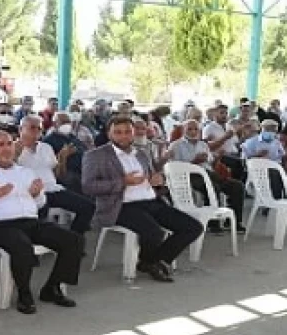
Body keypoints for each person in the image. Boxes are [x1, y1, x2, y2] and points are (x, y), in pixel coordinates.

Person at [0, 132, 83, 314]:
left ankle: (52, 288)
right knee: (21, 244)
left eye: (9, 144)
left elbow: (40, 204)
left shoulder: (25, 172)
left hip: (29, 222)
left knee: (73, 240)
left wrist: (37, 195)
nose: (6, 148)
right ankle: (24, 292)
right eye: (0, 144)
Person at [82, 116, 203, 283]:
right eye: (118, 132)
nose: (124, 136)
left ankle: (153, 261)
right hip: (121, 205)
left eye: (127, 132)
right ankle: (152, 263)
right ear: (109, 134)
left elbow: (152, 175)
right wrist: (123, 182)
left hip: (151, 201)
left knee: (193, 227)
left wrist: (158, 181)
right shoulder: (96, 155)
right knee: (154, 233)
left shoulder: (141, 153)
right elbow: (88, 187)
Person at [15, 116, 94, 234]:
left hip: (53, 189)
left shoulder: (46, 147)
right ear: (20, 129)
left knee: (88, 207)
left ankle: (74, 237)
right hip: (31, 193)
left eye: (39, 129)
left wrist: (62, 158)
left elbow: (59, 176)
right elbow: (7, 174)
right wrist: (15, 156)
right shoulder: (12, 148)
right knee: (41, 219)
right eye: (32, 128)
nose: (36, 131)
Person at [168, 119, 246, 232]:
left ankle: (234, 221)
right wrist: (194, 161)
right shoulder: (176, 145)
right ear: (183, 130)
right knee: (213, 187)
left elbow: (211, 163)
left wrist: (218, 157)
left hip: (208, 173)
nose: (193, 132)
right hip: (189, 176)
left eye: (196, 129)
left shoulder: (203, 144)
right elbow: (174, 168)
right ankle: (213, 222)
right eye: (189, 129)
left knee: (237, 186)